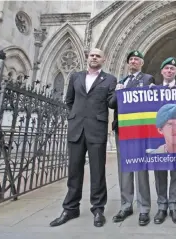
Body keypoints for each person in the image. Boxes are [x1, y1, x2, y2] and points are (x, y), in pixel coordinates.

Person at [49, 48, 117, 228]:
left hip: (97, 130)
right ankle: (70, 208)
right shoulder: (75, 77)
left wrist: (120, 92)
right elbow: (69, 101)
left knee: (97, 172)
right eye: (92, 55)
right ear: (88, 58)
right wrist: (74, 117)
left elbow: (112, 103)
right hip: (76, 129)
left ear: (104, 59)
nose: (94, 58)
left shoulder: (110, 79)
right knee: (74, 171)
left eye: (98, 56)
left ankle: (98, 209)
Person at [112, 50, 156, 226]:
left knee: (140, 169)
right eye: (130, 59)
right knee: (124, 169)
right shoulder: (121, 81)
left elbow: (152, 101)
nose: (133, 62)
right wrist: (117, 92)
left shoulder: (147, 79)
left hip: (139, 130)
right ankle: (126, 205)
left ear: (142, 63)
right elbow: (111, 104)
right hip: (122, 129)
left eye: (136, 59)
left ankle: (144, 208)